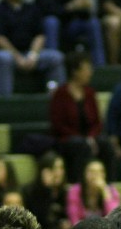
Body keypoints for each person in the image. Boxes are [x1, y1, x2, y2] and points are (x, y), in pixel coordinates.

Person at [49, 51, 115, 184]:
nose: (90, 72)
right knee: (79, 145)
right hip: (67, 139)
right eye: (86, 69)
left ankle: (110, 184)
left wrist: (90, 137)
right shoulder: (60, 94)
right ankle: (78, 186)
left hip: (90, 138)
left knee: (106, 144)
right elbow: (58, 125)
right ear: (75, 71)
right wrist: (84, 140)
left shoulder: (90, 93)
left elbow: (97, 122)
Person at [0, 0, 67, 96]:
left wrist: (33, 55)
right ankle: (4, 102)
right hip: (4, 53)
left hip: (27, 53)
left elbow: (40, 35)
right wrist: (17, 57)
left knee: (56, 57)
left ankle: (56, 99)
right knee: (4, 58)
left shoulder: (32, 9)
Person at [36, 0, 106, 66]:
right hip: (54, 29)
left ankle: (100, 65)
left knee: (93, 23)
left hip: (71, 27)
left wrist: (85, 6)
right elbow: (44, 11)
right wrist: (68, 7)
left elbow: (84, 14)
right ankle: (53, 62)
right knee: (51, 22)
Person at [23, 151, 70, 229]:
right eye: (54, 168)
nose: (59, 173)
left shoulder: (65, 191)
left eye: (61, 168)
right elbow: (40, 221)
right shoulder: (30, 191)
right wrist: (47, 189)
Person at [66, 158, 120, 225]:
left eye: (99, 172)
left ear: (104, 174)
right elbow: (74, 220)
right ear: (84, 173)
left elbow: (114, 219)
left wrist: (104, 191)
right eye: (91, 172)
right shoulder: (75, 191)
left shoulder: (111, 191)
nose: (95, 175)